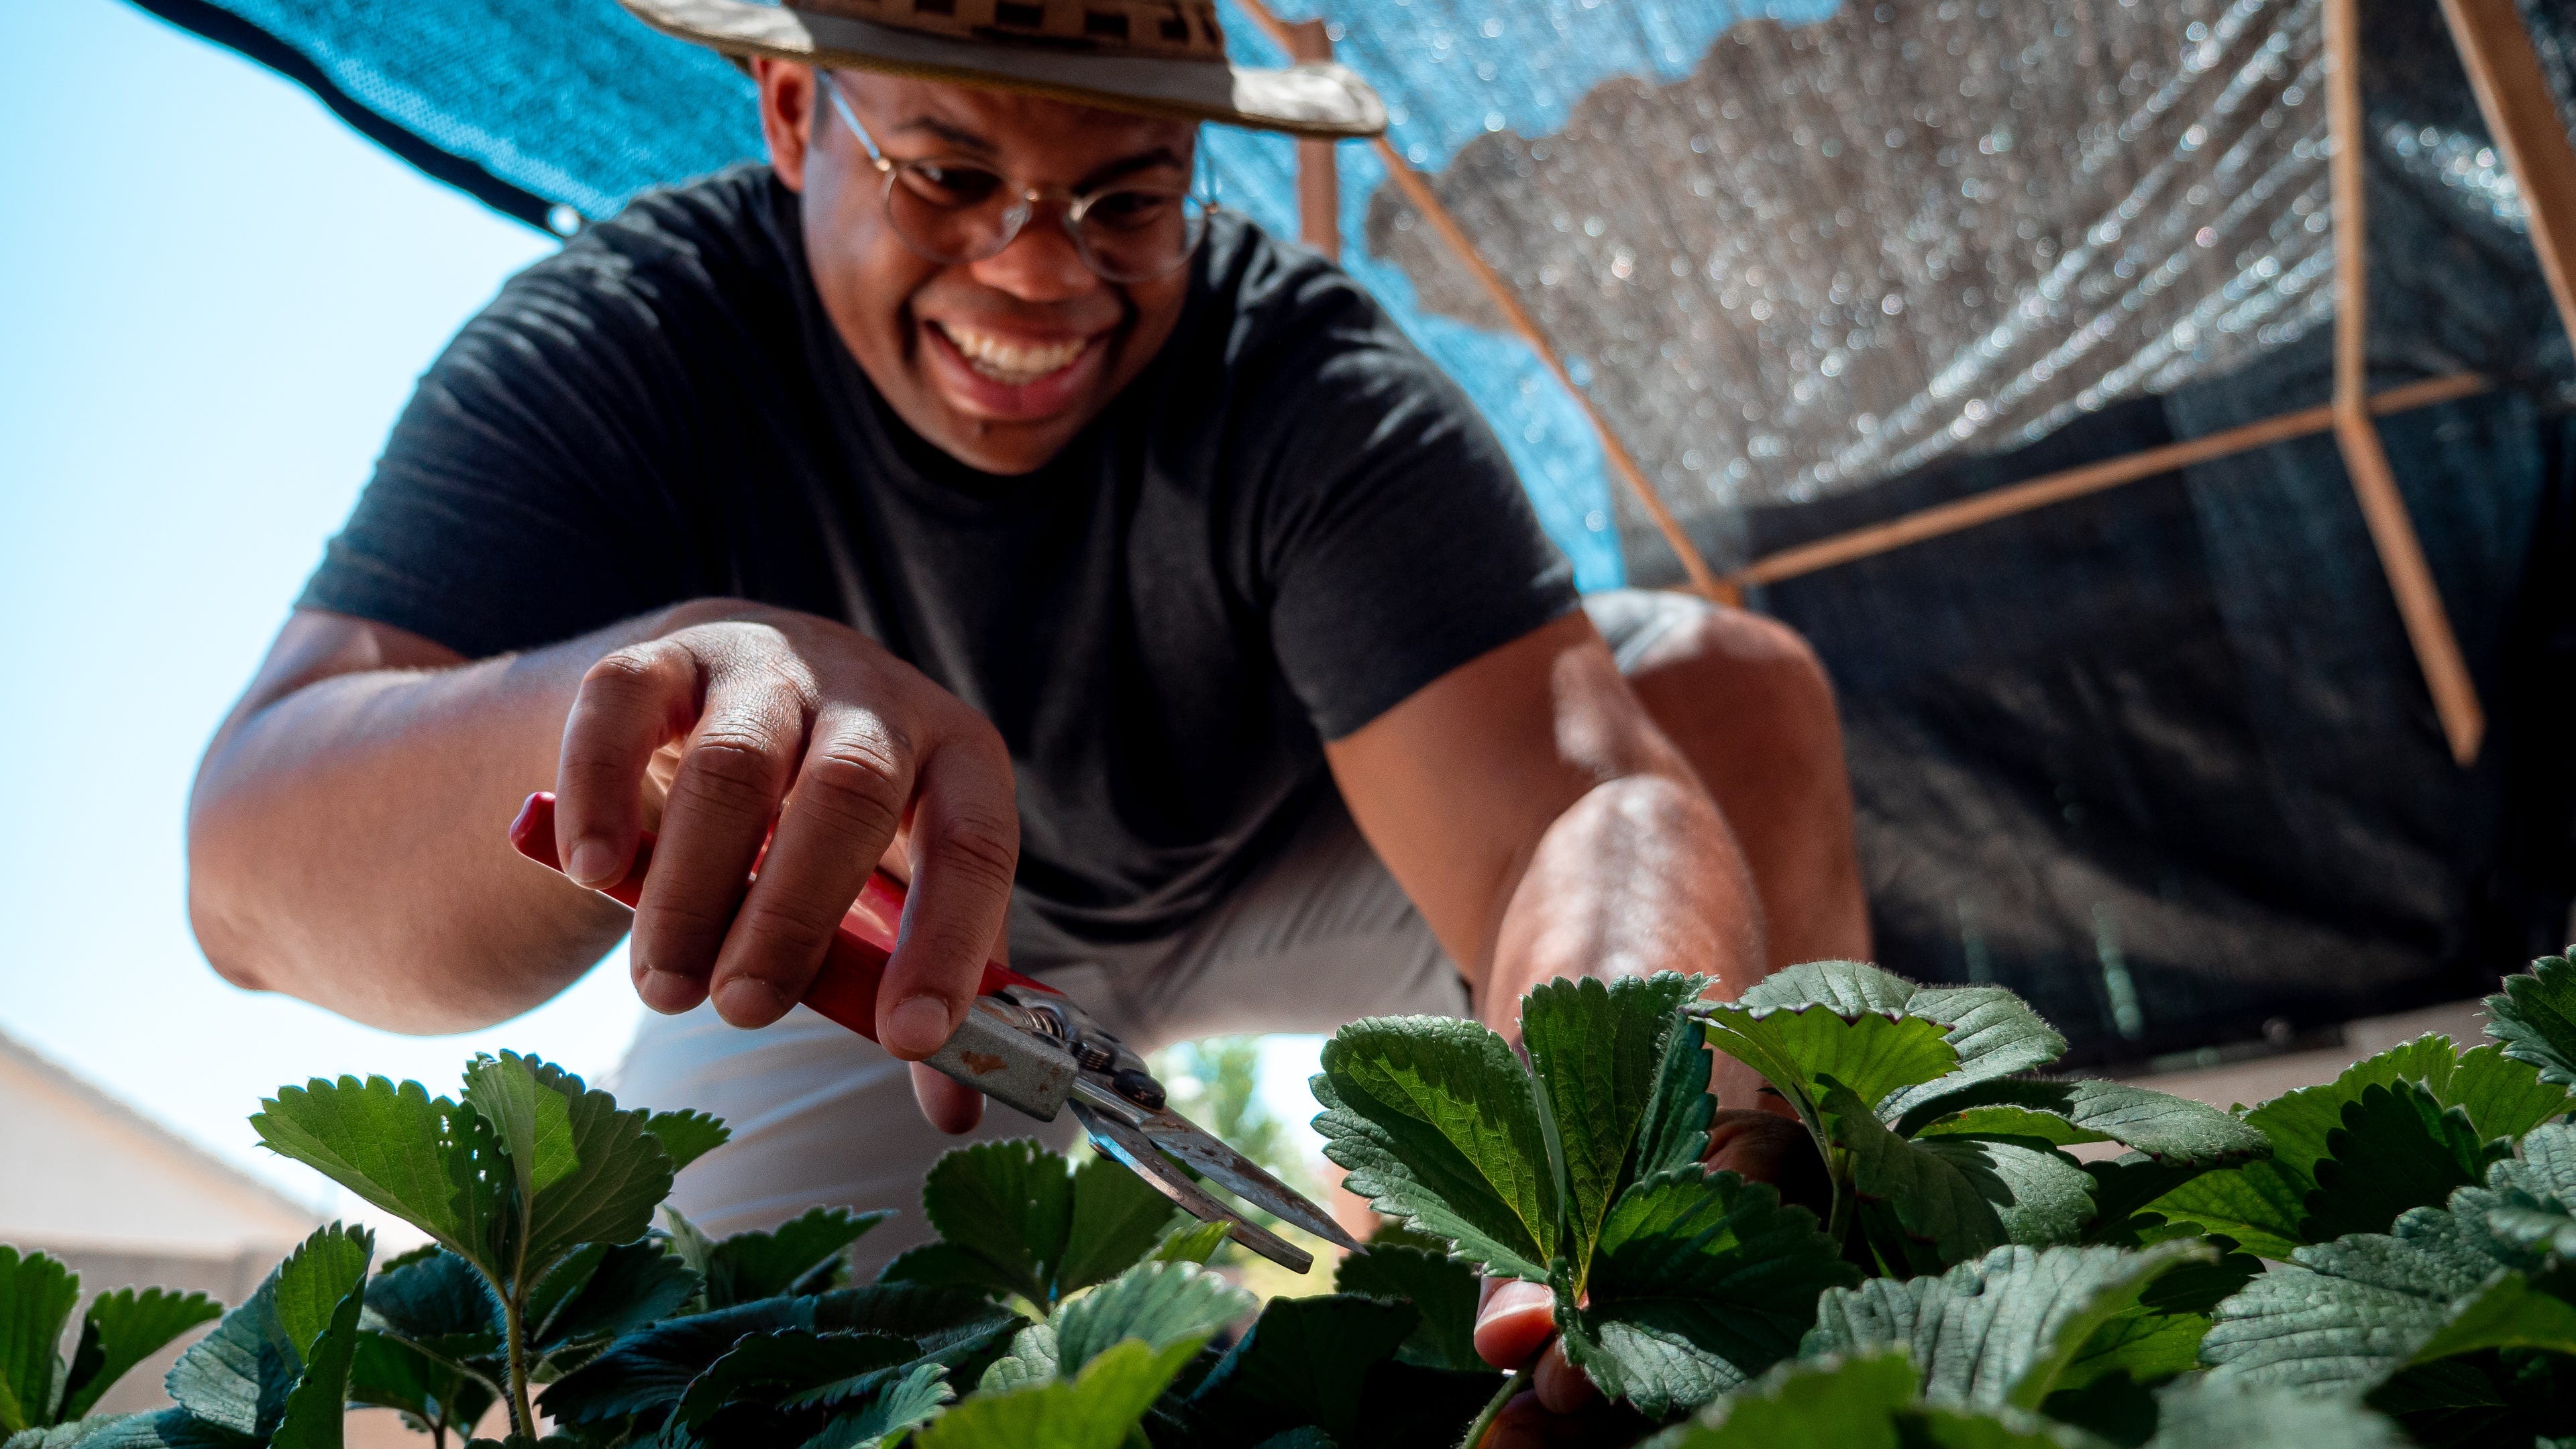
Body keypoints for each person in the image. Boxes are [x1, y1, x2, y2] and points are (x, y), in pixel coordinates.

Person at [184, 0, 1867, 1438]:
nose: (1042, 272)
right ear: (792, 110)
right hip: (855, 959)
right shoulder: (633, 347)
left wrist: (1616, 1172)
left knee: (1708, 702)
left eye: (1127, 195)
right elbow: (245, 882)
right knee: (732, 1383)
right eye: (954, 176)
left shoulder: (1301, 380)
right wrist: (635, 698)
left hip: (1269, 881)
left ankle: (1704, 1266)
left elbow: (1570, 813)